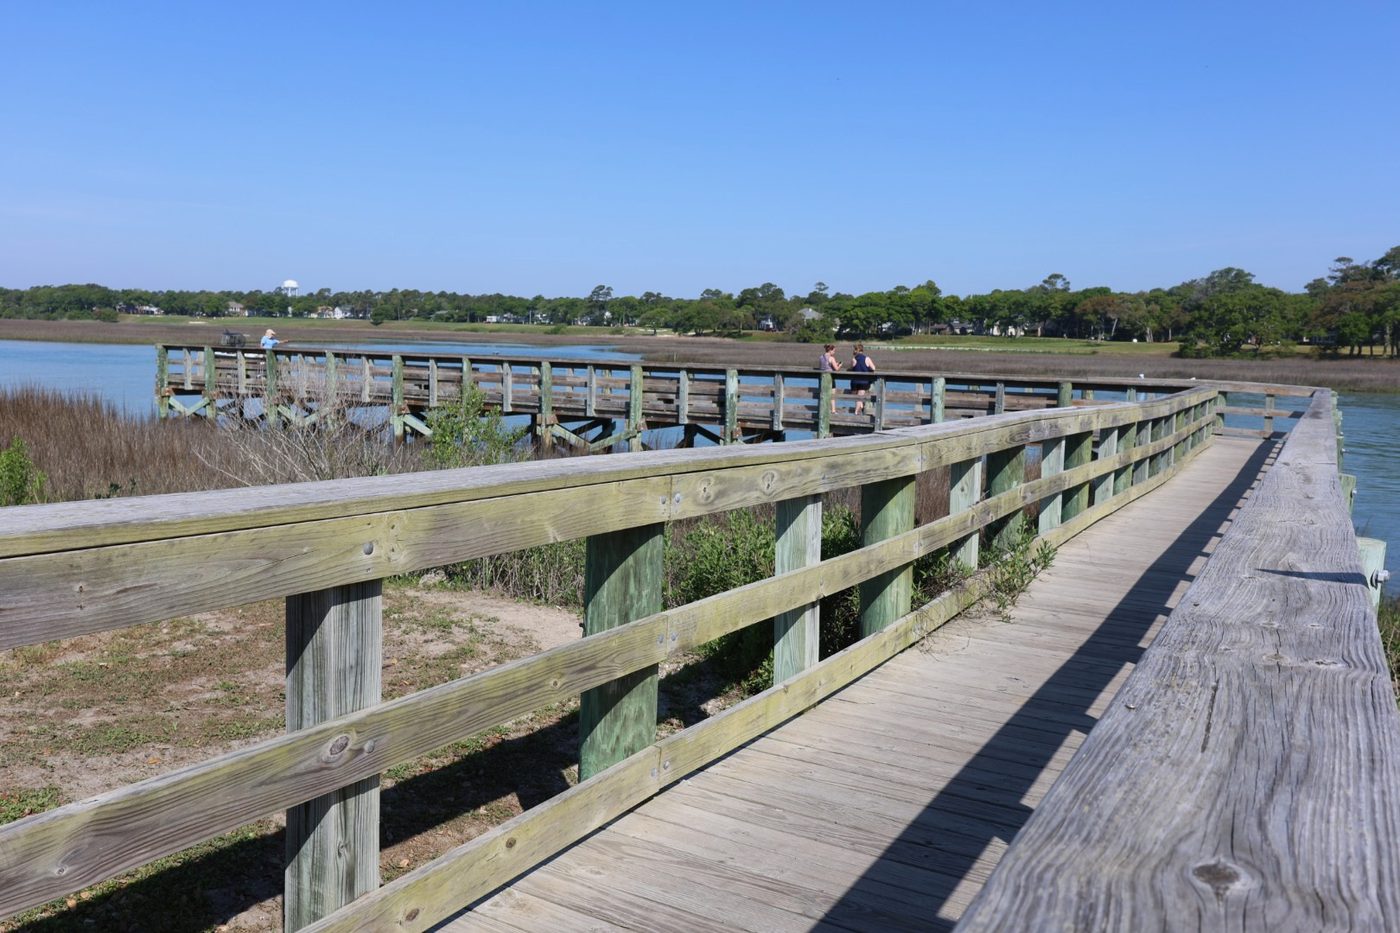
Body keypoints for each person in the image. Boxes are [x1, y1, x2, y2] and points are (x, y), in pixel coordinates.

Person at [850, 343, 876, 415]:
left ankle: (860, 407)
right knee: (860, 397)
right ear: (862, 350)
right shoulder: (867, 358)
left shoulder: (854, 359)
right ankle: (856, 412)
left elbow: (852, 368)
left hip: (854, 382)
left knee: (858, 397)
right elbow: (873, 368)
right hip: (864, 381)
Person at [818, 343, 841, 413]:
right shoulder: (831, 358)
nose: (834, 352)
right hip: (830, 378)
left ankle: (824, 409)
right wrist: (839, 365)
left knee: (824, 395)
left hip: (822, 377)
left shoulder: (821, 357)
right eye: (834, 351)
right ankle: (833, 410)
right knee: (832, 395)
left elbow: (823, 367)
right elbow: (836, 369)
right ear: (830, 350)